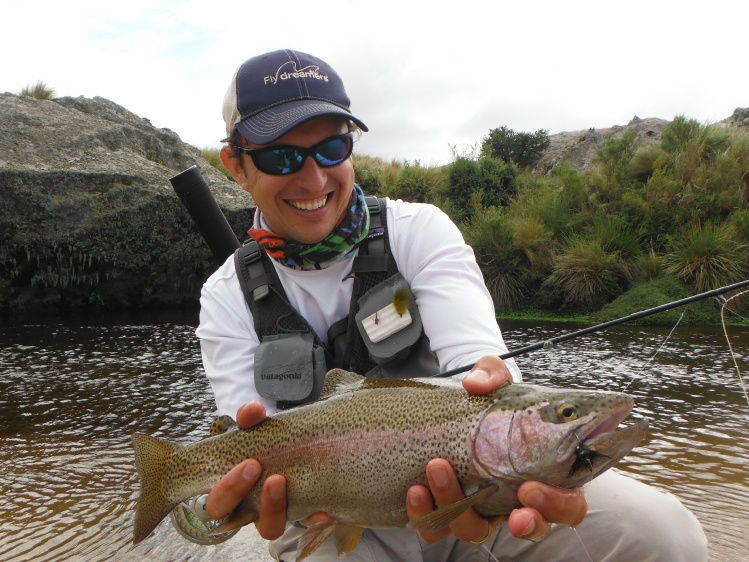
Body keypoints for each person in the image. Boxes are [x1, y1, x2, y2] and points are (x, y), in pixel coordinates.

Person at [195, 49, 708, 561]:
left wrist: (509, 434)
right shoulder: (226, 297)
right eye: (280, 157)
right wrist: (214, 514)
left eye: (332, 147)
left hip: (476, 493)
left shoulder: (419, 231)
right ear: (236, 166)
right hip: (327, 519)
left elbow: (481, 375)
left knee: (665, 535)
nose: (313, 180)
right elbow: (238, 453)